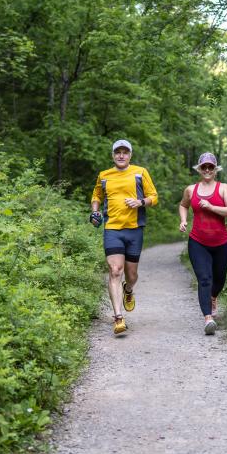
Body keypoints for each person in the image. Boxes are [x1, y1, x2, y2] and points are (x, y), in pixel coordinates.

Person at [91, 139, 159, 336]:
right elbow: (96, 196)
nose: (121, 155)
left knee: (131, 275)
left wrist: (140, 202)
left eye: (125, 152)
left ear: (130, 155)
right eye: (117, 152)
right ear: (113, 155)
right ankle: (118, 318)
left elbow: (154, 197)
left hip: (134, 229)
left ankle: (128, 290)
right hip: (112, 229)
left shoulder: (140, 172)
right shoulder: (104, 175)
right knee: (114, 270)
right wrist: (95, 211)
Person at [178, 152, 227, 335]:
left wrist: (211, 207)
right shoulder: (191, 190)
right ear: (199, 169)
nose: (207, 170)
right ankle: (208, 318)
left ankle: (212, 297)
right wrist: (183, 220)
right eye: (204, 166)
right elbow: (183, 205)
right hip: (198, 242)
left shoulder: (223, 188)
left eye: (211, 166)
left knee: (219, 280)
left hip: (221, 243)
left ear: (215, 169)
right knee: (204, 279)